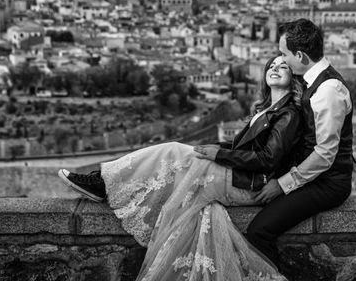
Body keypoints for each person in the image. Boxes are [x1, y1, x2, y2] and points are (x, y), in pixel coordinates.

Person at [58, 55, 302, 280]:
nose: (275, 68)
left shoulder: (288, 114)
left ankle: (102, 182)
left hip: (246, 184)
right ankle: (103, 180)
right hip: (237, 175)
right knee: (177, 156)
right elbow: (243, 147)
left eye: (283, 66)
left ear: (293, 79)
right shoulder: (267, 110)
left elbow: (268, 158)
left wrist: (220, 153)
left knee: (172, 152)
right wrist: (217, 148)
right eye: (272, 65)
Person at [246, 18, 354, 268]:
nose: (281, 59)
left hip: (328, 183)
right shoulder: (313, 81)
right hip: (314, 175)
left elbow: (325, 154)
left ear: (301, 55)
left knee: (258, 231)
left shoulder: (328, 90)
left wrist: (282, 185)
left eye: (284, 54)